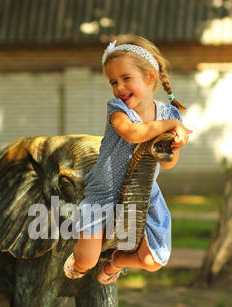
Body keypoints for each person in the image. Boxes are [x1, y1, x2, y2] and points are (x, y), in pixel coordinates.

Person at [63, 35, 192, 284]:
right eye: (113, 82)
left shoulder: (168, 113)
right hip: (105, 191)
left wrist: (174, 147)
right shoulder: (118, 109)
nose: (119, 87)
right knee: (87, 260)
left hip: (144, 192)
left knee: (154, 259)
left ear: (150, 76)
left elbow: (167, 163)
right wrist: (172, 125)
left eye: (126, 79)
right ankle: (77, 259)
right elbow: (133, 134)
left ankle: (117, 262)